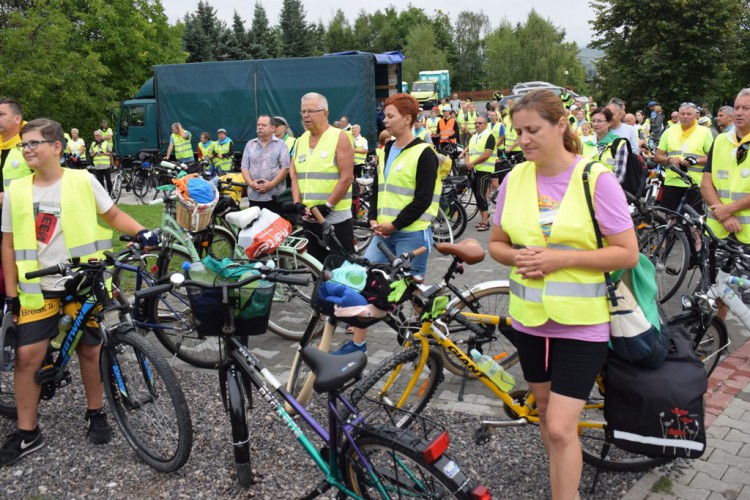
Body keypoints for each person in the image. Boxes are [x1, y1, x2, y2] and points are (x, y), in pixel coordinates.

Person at [488, 89, 637, 500]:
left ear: (560, 125)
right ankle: (560, 478)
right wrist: (519, 257)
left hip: (582, 322)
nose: (523, 139)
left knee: (559, 425)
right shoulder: (515, 178)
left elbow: (627, 252)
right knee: (546, 415)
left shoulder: (595, 179)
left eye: (533, 129)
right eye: (518, 131)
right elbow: (496, 244)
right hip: (530, 320)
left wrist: (558, 261)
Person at [0, 118, 160, 466]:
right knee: (28, 356)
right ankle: (28, 432)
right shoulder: (16, 191)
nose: (27, 149)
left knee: (90, 350)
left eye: (33, 143)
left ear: (57, 147)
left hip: (83, 284)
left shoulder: (83, 180)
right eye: (23, 145)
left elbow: (114, 214)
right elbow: (8, 245)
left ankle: (95, 412)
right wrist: (12, 293)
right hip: (37, 289)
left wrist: (143, 232)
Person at [343, 93, 439, 356]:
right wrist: (372, 216)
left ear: (408, 119)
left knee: (415, 292)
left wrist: (395, 225)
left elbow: (422, 199)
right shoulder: (386, 149)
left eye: (390, 116)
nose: (384, 120)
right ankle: (358, 344)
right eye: (384, 115)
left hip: (411, 234)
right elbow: (378, 189)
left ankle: (432, 342)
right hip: (383, 233)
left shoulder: (424, 153)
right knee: (366, 282)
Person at [290, 92, 355, 262]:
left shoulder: (339, 137)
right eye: (303, 111)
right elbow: (295, 175)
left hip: (335, 219)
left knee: (343, 272)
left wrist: (328, 206)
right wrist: (297, 202)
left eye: (310, 111)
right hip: (309, 218)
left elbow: (347, 177)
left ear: (325, 113)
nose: (305, 115)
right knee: (318, 271)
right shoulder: (301, 140)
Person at [701, 89, 750, 314]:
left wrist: (729, 210)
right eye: (737, 107)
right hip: (719, 230)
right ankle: (715, 333)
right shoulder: (721, 140)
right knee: (714, 289)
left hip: (746, 235)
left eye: (746, 108)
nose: (739, 112)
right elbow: (706, 183)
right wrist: (726, 215)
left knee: (744, 301)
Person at [655, 102, 713, 213]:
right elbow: (657, 157)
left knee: (693, 221)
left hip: (694, 183)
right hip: (672, 181)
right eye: (682, 114)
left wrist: (697, 160)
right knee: (669, 217)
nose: (685, 116)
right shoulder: (669, 131)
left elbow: (713, 158)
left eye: (689, 114)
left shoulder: (704, 132)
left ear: (696, 115)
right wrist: (669, 159)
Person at [240, 115, 289, 214]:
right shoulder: (250, 144)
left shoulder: (281, 145)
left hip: (275, 197)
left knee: (274, 227)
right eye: (258, 125)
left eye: (263, 125)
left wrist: (271, 185)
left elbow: (285, 168)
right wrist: (251, 184)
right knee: (254, 227)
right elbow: (244, 167)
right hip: (254, 196)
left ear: (272, 128)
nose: (260, 127)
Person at [459, 114, 495, 231]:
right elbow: (468, 150)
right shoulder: (474, 136)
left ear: (485, 125)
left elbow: (487, 154)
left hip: (484, 170)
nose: (477, 125)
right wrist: (467, 162)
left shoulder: (489, 136)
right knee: (477, 195)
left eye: (480, 123)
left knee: (481, 194)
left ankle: (485, 222)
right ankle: (482, 220)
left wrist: (472, 163)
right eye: (476, 123)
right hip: (474, 169)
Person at [581, 107, 629, 184]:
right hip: (585, 190)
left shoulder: (619, 144)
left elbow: (619, 176)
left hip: (608, 190)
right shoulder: (586, 144)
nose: (596, 124)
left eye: (599, 121)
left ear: (609, 123)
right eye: (593, 121)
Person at [0, 98, 32, 207]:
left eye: (1, 115)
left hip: (21, 215)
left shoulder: (33, 146)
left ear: (17, 118)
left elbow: (48, 184)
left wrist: (9, 197)